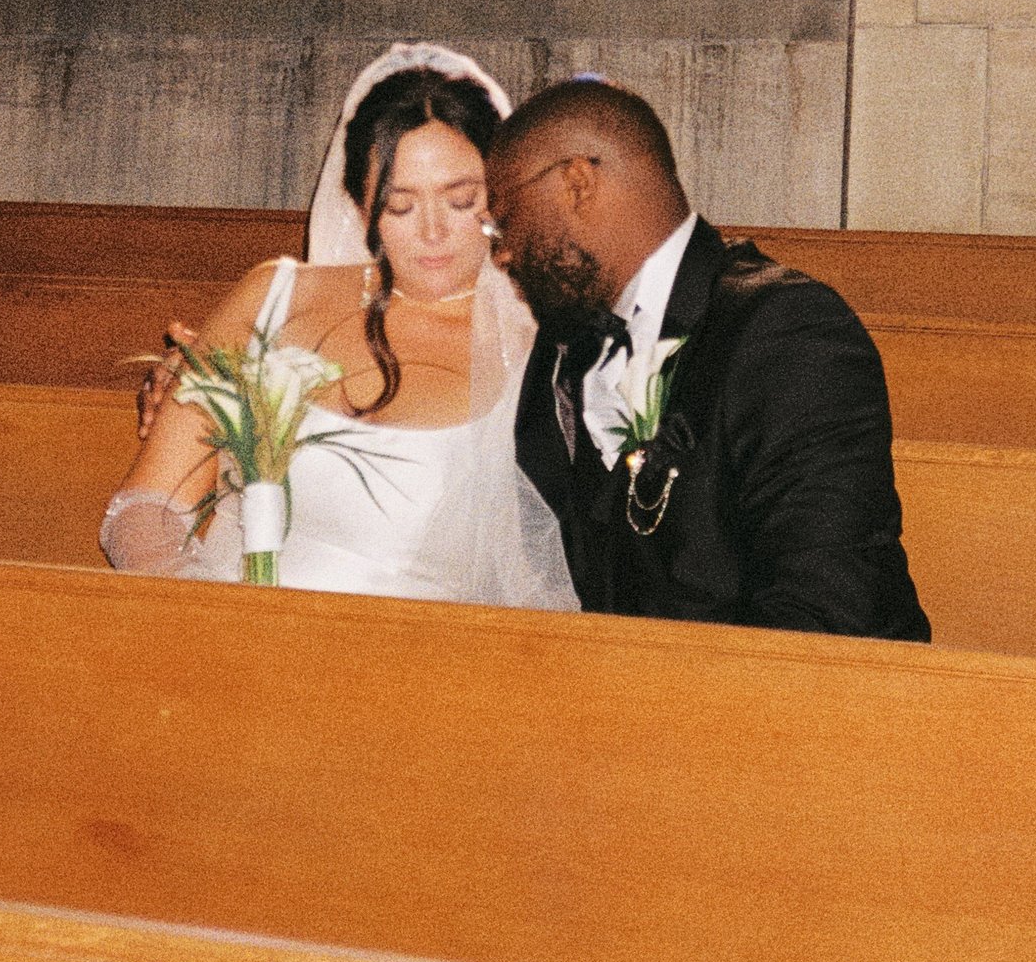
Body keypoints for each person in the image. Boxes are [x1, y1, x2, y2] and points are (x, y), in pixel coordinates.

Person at [99, 46, 577, 608]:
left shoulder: (539, 348)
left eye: (460, 200)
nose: (432, 232)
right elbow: (146, 506)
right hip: (227, 624)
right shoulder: (275, 299)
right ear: (359, 204)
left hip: (411, 649)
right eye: (399, 206)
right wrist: (213, 611)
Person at [488, 77, 929, 640]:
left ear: (577, 182)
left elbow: (826, 608)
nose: (501, 251)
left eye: (505, 217)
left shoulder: (787, 330)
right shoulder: (562, 353)